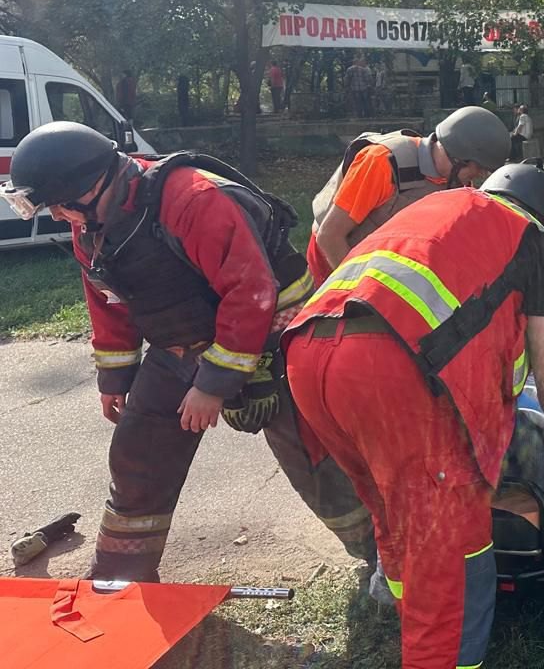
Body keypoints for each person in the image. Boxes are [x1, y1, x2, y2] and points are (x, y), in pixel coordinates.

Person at [0, 122, 376, 582]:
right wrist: (115, 380)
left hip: (277, 335)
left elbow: (250, 292)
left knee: (316, 459)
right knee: (138, 453)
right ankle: (122, 576)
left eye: (58, 204)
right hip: (184, 340)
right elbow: (108, 299)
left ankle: (380, 555)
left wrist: (215, 385)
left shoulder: (193, 199)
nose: (57, 216)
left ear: (90, 185)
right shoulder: (91, 221)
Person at [282, 164, 544, 669]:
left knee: (393, 511)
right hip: (388, 371)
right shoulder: (532, 238)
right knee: (453, 548)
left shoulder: (435, 207)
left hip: (307, 355)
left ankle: (402, 610)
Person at [308, 106, 510, 282]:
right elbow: (330, 236)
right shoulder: (382, 163)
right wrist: (357, 291)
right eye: (478, 169)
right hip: (335, 257)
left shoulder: (458, 182)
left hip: (385, 260)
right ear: (459, 158)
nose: (478, 178)